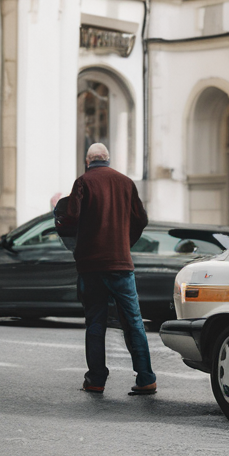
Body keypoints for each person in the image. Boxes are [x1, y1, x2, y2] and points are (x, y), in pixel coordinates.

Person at [54, 143, 157, 395]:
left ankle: (96, 380)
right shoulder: (126, 183)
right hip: (121, 263)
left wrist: (63, 220)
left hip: (91, 266)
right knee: (134, 321)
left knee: (96, 323)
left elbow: (71, 217)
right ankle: (146, 378)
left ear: (88, 161)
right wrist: (124, 242)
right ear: (107, 160)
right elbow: (141, 219)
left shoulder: (83, 182)